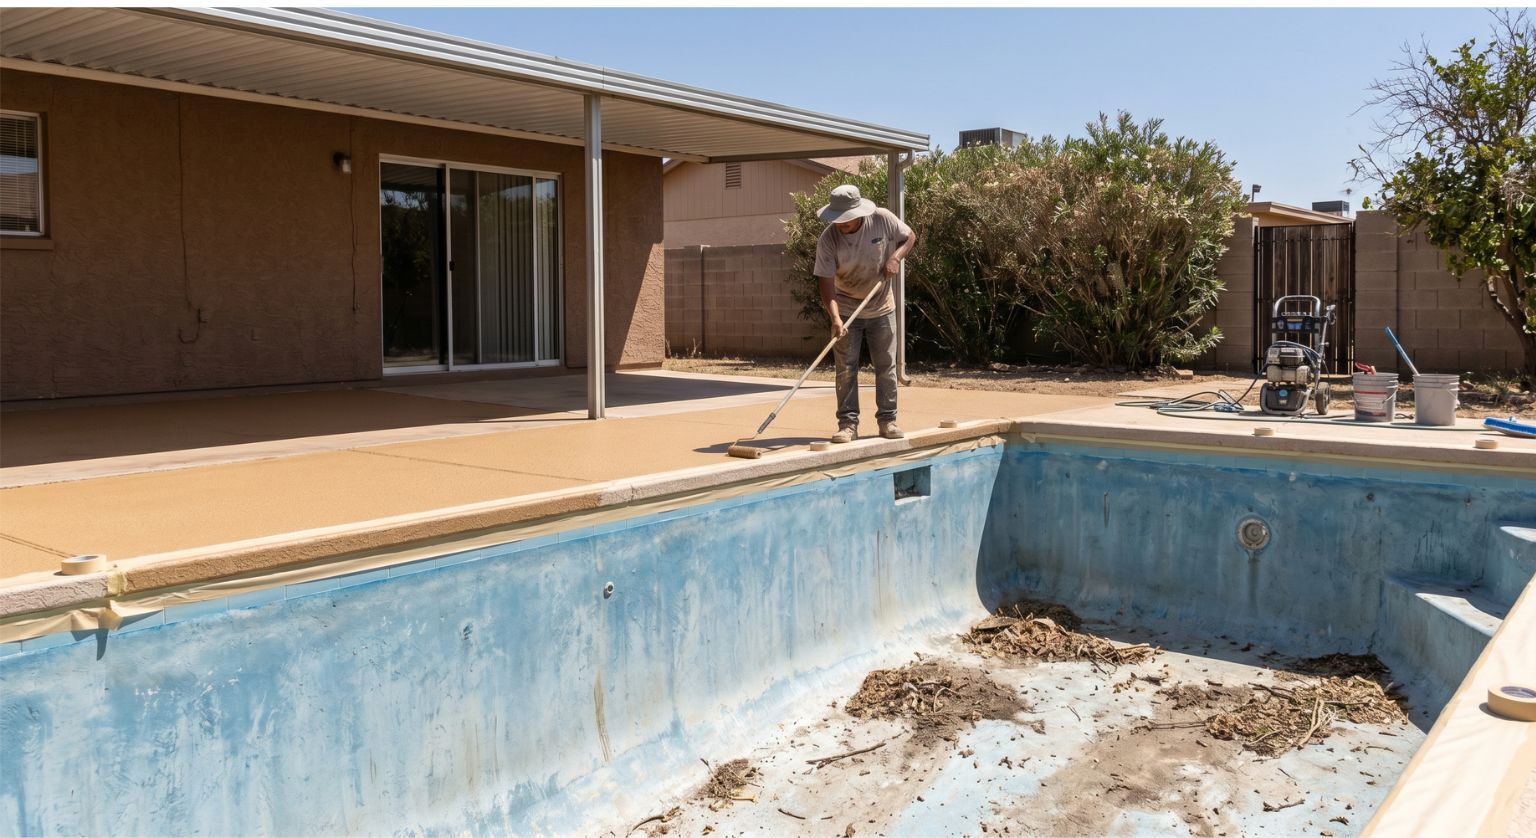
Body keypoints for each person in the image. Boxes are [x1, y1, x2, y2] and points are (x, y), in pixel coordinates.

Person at [813, 184, 917, 444]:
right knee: (845, 369)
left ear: (859, 213)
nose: (842, 225)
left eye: (846, 220)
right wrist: (836, 318)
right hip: (847, 308)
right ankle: (848, 424)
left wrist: (896, 257)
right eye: (838, 220)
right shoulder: (828, 240)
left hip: (882, 307)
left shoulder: (882, 219)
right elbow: (826, 284)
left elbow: (910, 237)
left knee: (886, 366)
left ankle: (888, 420)